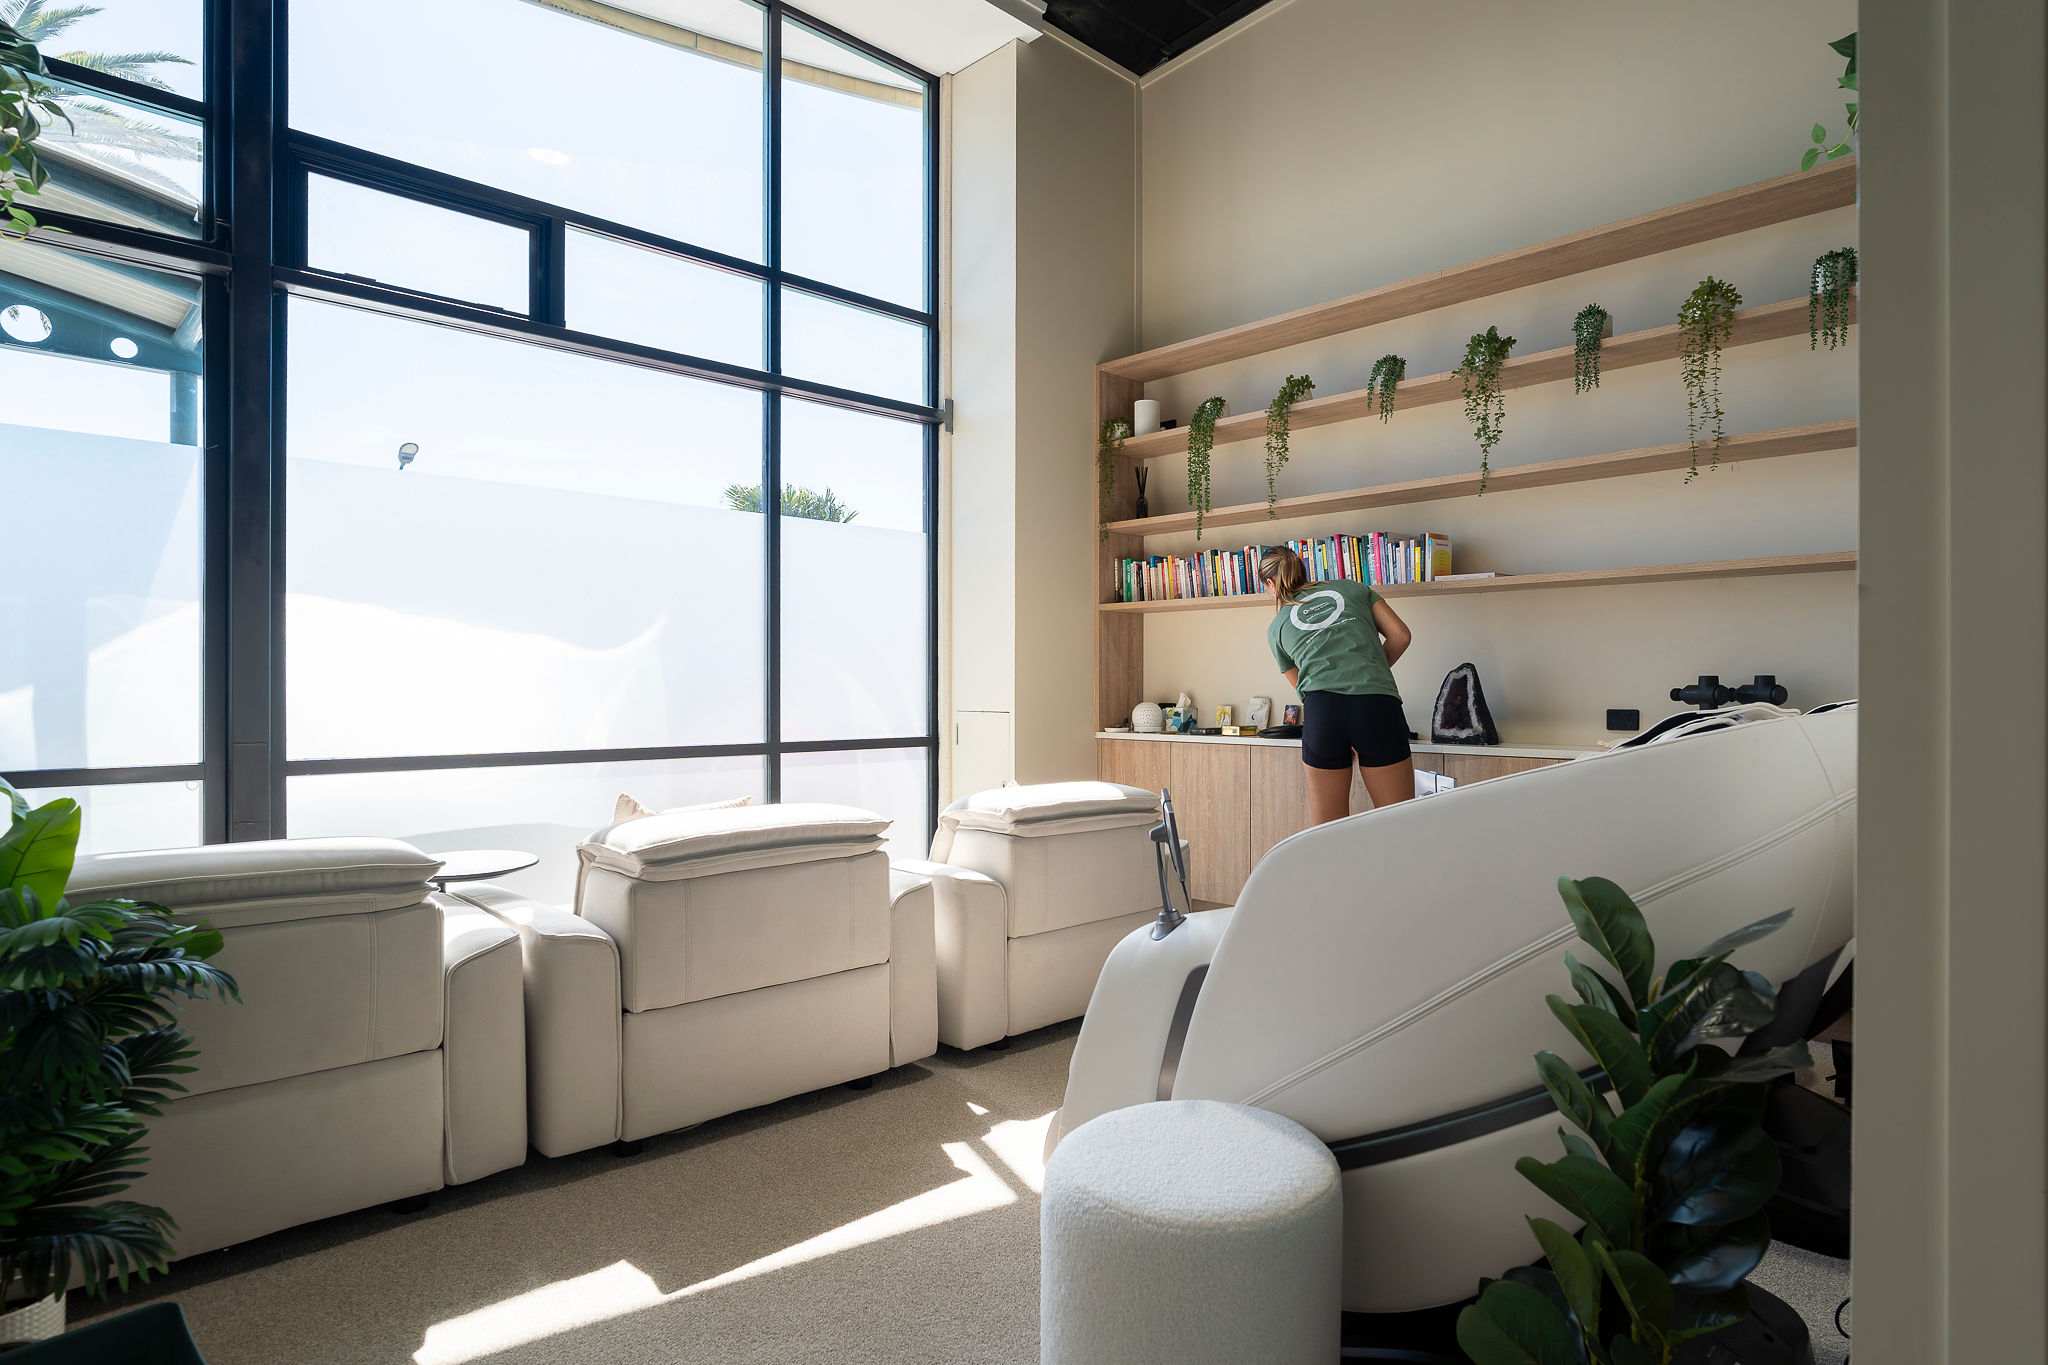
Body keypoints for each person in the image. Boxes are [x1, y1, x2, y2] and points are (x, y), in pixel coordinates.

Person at [1258, 547, 1415, 824]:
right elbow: (1400, 636)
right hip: (1376, 705)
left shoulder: (1277, 627)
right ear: (1303, 569)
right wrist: (1369, 672)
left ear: (1270, 584)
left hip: (1324, 712)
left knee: (1328, 829)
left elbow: (1304, 689)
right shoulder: (1353, 589)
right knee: (1399, 821)